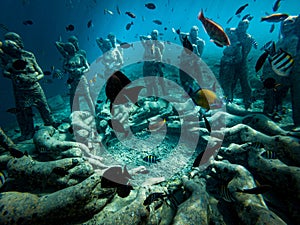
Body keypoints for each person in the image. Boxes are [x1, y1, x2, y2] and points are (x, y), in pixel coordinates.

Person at [0, 32, 59, 140]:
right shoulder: (6, 59)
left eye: (16, 45)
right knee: (24, 112)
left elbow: (40, 72)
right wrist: (15, 76)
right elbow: (5, 73)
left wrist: (34, 78)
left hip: (35, 88)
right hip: (20, 91)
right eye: (12, 46)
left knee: (44, 108)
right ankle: (28, 132)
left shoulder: (29, 55)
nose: (16, 47)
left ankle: (52, 125)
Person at [262, 15, 300, 130]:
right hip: (281, 73)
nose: (286, 25)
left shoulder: (294, 39)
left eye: (290, 23)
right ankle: (270, 115)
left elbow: (291, 55)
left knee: (297, 97)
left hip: (293, 73)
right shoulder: (282, 40)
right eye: (284, 23)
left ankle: (297, 123)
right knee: (275, 94)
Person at [219, 20, 253, 109]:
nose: (241, 27)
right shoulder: (231, 32)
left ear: (247, 28)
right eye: (240, 25)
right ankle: (228, 101)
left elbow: (246, 52)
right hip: (229, 61)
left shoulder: (248, 38)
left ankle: (248, 103)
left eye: (244, 26)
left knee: (245, 82)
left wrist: (239, 59)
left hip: (241, 62)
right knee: (227, 81)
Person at [55, 40, 95, 114]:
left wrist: (81, 70)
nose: (72, 47)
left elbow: (88, 67)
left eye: (72, 46)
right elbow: (64, 66)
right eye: (70, 47)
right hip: (72, 80)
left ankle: (93, 113)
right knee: (73, 98)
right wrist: (70, 69)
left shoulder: (80, 56)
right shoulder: (67, 57)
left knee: (87, 96)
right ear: (68, 49)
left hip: (81, 79)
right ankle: (74, 115)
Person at [177, 26, 205, 93]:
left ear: (198, 32)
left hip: (194, 63)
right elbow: (180, 35)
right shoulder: (186, 39)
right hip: (184, 62)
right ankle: (187, 93)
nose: (194, 32)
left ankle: (194, 94)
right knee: (183, 79)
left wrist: (195, 49)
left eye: (195, 31)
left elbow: (199, 55)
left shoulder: (200, 42)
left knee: (194, 79)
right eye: (192, 31)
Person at [219, 28, 242, 102]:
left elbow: (239, 57)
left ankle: (229, 99)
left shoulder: (237, 44)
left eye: (232, 33)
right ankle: (225, 98)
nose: (230, 35)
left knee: (228, 83)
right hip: (224, 66)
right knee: (223, 81)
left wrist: (230, 61)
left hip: (230, 67)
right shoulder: (229, 43)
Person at [140, 29, 165, 96]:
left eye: (155, 34)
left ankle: (161, 93)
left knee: (156, 80)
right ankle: (150, 94)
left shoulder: (159, 45)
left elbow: (160, 55)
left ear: (157, 35)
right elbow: (141, 38)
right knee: (147, 79)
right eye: (152, 33)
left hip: (155, 64)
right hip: (147, 64)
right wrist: (146, 38)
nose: (154, 35)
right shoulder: (146, 45)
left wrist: (157, 63)